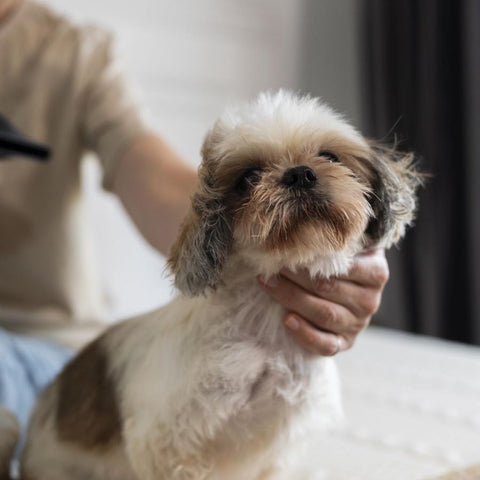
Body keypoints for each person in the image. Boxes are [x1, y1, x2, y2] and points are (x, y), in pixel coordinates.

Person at [0, 0, 389, 439]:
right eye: (251, 177)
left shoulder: (71, 51)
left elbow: (151, 175)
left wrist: (233, 226)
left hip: (51, 357)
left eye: (327, 158)